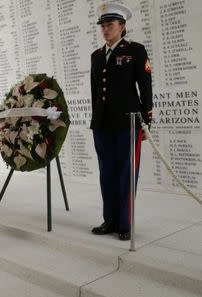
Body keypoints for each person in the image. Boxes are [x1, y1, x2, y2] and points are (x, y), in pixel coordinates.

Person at [90, 4, 153, 241]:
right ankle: (110, 220)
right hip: (102, 124)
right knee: (107, 173)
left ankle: (125, 223)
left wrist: (146, 121)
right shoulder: (96, 56)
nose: (105, 29)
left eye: (110, 25)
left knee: (127, 173)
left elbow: (145, 87)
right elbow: (95, 91)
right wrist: (96, 119)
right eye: (103, 25)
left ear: (122, 26)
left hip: (128, 123)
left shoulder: (135, 51)